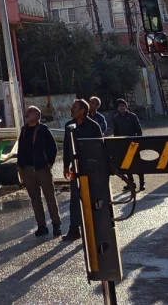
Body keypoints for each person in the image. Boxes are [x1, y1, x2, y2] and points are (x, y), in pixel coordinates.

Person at [16, 105, 61, 237]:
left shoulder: (43, 130)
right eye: (27, 112)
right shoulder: (24, 130)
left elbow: (53, 148)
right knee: (35, 199)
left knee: (50, 197)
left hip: (42, 169)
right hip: (27, 169)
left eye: (30, 112)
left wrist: (49, 163)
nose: (27, 114)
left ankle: (56, 224)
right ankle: (41, 226)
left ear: (37, 115)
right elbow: (20, 149)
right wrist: (20, 166)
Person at [62, 98, 103, 241]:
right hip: (75, 168)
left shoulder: (93, 126)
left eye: (74, 107)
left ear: (82, 111)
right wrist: (66, 165)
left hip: (90, 169)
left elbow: (99, 148)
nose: (71, 109)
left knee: (92, 198)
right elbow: (66, 147)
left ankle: (96, 228)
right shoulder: (69, 126)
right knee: (74, 199)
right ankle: (74, 229)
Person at [109, 98, 146, 193]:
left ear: (126, 106)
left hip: (133, 144)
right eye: (120, 106)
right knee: (127, 165)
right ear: (117, 108)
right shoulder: (116, 118)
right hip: (123, 145)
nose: (122, 107)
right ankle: (131, 183)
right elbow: (115, 133)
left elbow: (139, 130)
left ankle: (142, 183)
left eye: (123, 105)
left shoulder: (133, 116)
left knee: (138, 164)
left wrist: (138, 141)